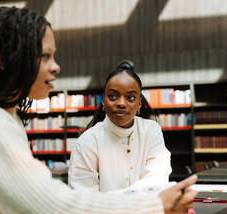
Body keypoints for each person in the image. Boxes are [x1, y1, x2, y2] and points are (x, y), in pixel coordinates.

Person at [0, 6, 197, 214]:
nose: (56, 66)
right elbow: (52, 207)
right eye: (45, 56)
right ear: (5, 60)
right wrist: (153, 206)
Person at [68, 65, 172, 193]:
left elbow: (157, 180)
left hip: (145, 212)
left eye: (130, 98)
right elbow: (84, 199)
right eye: (112, 96)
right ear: (104, 101)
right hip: (105, 213)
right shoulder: (87, 142)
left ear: (139, 104)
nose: (121, 103)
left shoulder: (151, 131)